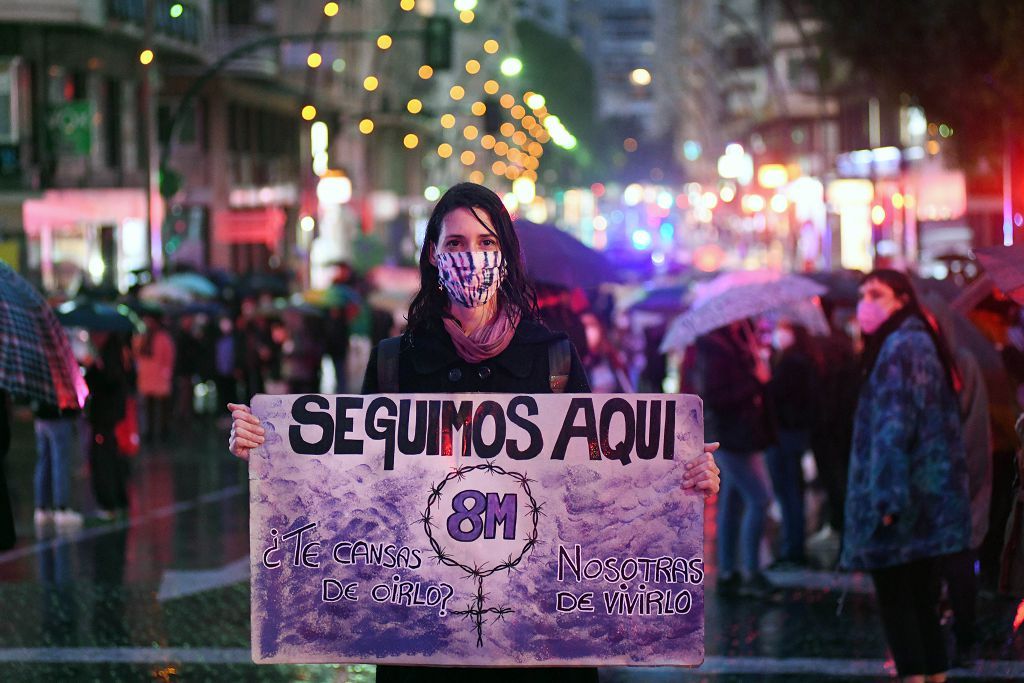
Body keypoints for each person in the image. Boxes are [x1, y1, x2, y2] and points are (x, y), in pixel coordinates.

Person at [228, 182, 721, 682]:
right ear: (433, 255)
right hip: (426, 629)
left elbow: (599, 477)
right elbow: (354, 483)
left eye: (487, 243)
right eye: (456, 244)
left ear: (506, 255)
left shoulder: (551, 355)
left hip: (536, 638)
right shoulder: (397, 362)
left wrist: (677, 477)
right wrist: (274, 450)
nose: (473, 257)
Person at [842, 269, 970, 683]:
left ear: (900, 299)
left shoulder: (900, 346)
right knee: (921, 603)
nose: (865, 302)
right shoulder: (918, 340)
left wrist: (887, 502)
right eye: (862, 294)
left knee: (900, 604)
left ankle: (918, 676)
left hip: (900, 504)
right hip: (924, 500)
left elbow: (894, 429)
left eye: (875, 293)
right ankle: (933, 675)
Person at [694, 319, 775, 597]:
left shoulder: (739, 341)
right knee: (760, 498)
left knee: (732, 503)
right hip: (731, 436)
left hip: (743, 434)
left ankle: (729, 571)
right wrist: (756, 380)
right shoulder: (715, 348)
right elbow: (715, 396)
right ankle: (752, 571)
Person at [765, 319, 820, 568]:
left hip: (785, 434)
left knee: (788, 492)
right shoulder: (800, 359)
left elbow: (778, 395)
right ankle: (793, 544)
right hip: (793, 433)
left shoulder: (793, 363)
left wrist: (765, 377)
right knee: (791, 491)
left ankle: (793, 547)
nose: (780, 334)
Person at [84, 332, 131, 520]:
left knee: (103, 460)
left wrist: (93, 368)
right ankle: (117, 500)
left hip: (104, 417)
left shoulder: (109, 358)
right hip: (108, 418)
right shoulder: (117, 354)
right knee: (111, 457)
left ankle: (109, 503)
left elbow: (106, 382)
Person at [31, 400, 83, 532]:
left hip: (40, 415)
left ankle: (41, 508)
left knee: (44, 460)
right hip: (58, 415)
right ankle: (62, 508)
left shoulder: (37, 380)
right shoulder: (57, 379)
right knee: (60, 462)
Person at [133, 314, 175, 443]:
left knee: (160, 409)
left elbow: (168, 357)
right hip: (150, 379)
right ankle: (155, 433)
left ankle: (161, 433)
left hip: (156, 379)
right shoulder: (143, 338)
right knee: (152, 408)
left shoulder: (161, 338)